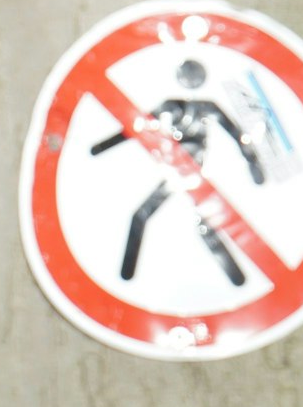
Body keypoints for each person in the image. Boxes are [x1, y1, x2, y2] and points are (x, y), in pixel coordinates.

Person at [90, 59, 265, 285]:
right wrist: (100, 147)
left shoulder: (198, 106)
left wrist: (254, 166)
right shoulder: (180, 105)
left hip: (190, 172)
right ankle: (126, 276)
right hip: (180, 170)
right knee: (153, 217)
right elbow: (136, 127)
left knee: (161, 218)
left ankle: (239, 281)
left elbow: (237, 135)